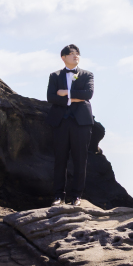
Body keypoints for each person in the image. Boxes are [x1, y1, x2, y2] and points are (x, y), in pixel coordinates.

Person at [45, 44, 94, 207]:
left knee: (81, 160)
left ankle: (77, 196)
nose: (76, 56)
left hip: (82, 122)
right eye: (72, 54)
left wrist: (66, 94)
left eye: (77, 54)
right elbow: (51, 97)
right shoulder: (55, 75)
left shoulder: (87, 74)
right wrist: (75, 97)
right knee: (60, 159)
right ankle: (58, 196)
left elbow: (88, 94)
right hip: (60, 121)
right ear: (63, 57)